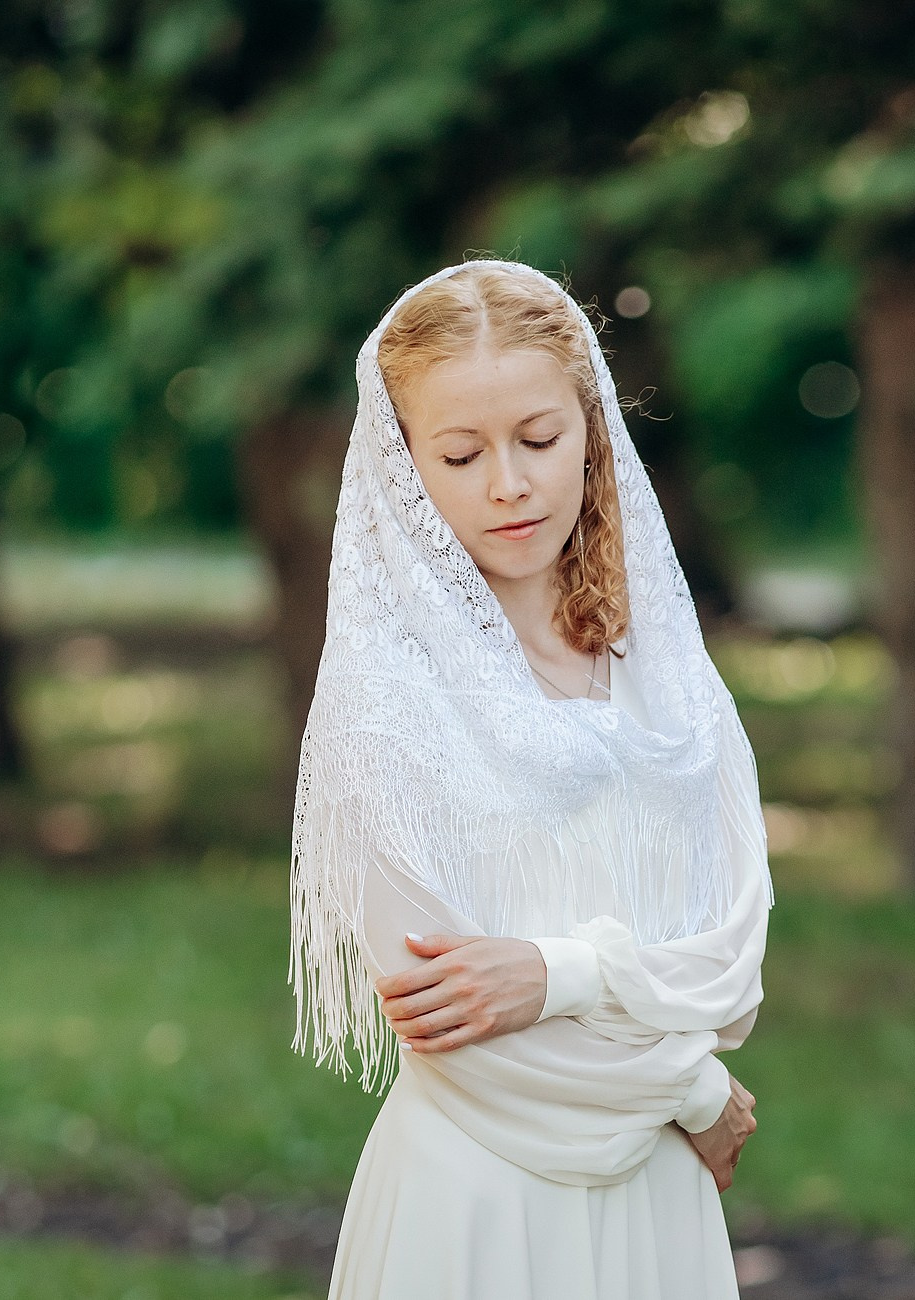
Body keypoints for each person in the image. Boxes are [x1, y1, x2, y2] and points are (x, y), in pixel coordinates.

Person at [288, 259, 774, 1300]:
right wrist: (691, 1086)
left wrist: (561, 973)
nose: (508, 483)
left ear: (591, 432)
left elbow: (731, 960)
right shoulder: (385, 699)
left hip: (658, 1199)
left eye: (541, 440)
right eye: (460, 455)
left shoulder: (661, 663)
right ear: (404, 466)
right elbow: (460, 1035)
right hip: (482, 1198)